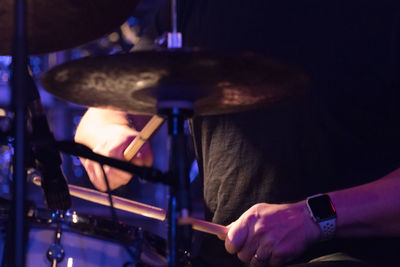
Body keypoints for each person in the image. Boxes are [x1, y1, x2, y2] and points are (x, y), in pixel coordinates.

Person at [75, 1, 400, 266]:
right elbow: (100, 114)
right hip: (223, 252)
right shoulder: (192, 8)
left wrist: (311, 217)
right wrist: (111, 140)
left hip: (351, 255)